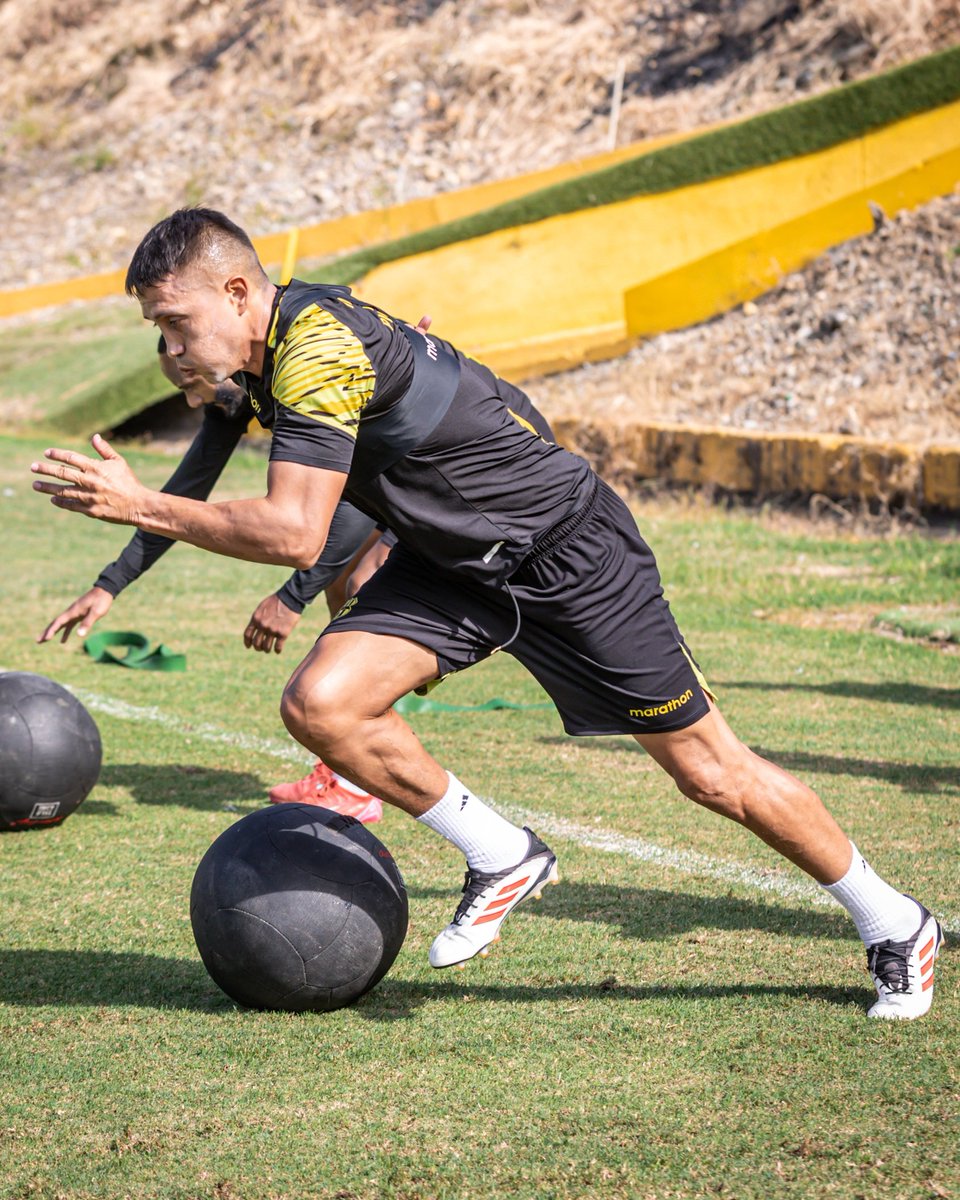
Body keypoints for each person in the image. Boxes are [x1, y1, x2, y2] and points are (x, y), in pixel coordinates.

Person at [32, 208, 942, 1016]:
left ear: (236, 293)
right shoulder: (271, 349)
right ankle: (503, 854)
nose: (171, 349)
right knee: (321, 704)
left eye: (176, 323)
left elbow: (296, 534)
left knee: (712, 775)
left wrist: (138, 504)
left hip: (569, 559)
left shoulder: (315, 349)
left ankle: (895, 921)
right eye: (158, 328)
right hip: (455, 567)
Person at [39, 336, 385, 822]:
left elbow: (356, 502)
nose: (191, 399)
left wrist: (291, 597)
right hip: (379, 490)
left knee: (362, 592)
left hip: (425, 479)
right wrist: (109, 584)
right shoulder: (234, 395)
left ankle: (360, 782)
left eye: (191, 381)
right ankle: (348, 778)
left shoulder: (295, 374)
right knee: (343, 594)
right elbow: (181, 497)